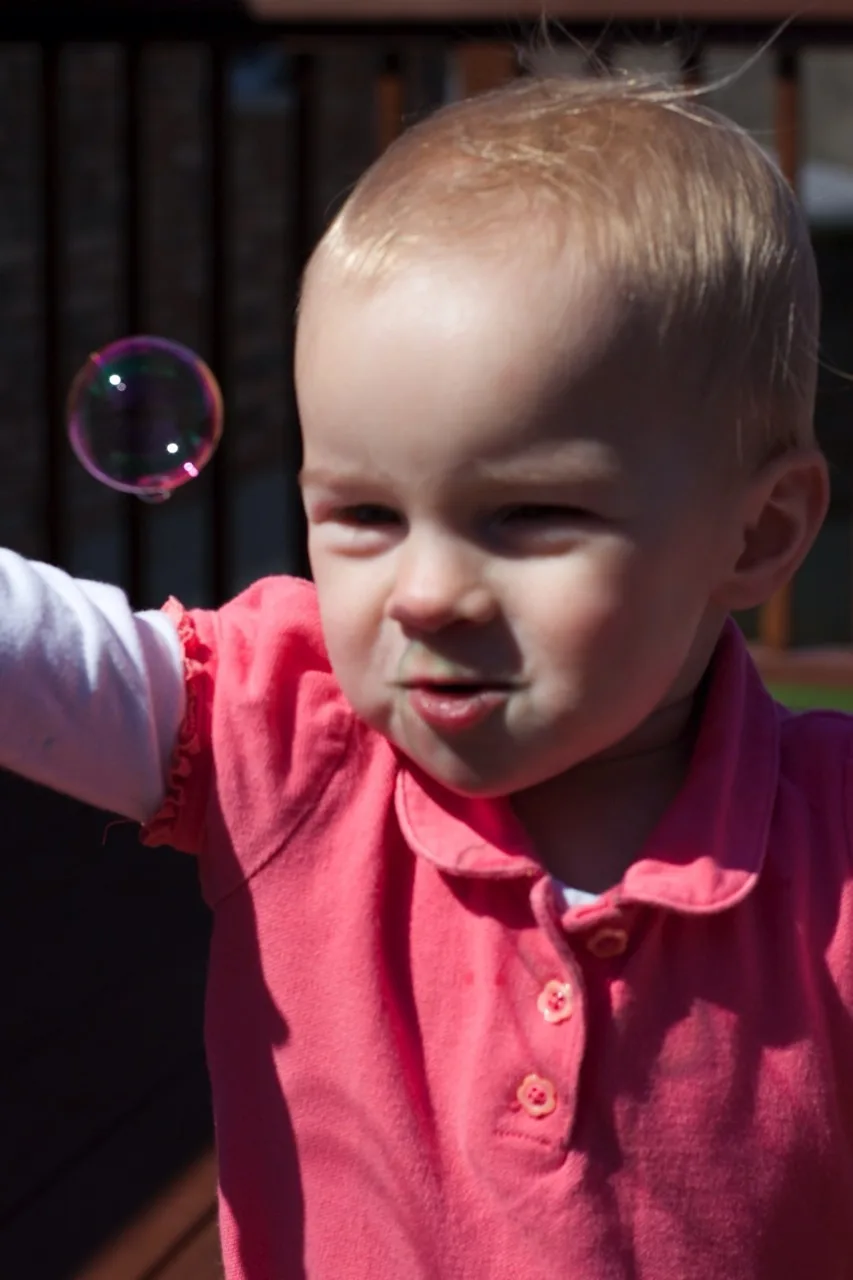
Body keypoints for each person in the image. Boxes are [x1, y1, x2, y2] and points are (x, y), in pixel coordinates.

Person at [0, 71, 847, 1279]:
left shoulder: (833, 853)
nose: (427, 592)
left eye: (529, 512)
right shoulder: (295, 734)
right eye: (363, 512)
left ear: (756, 535)